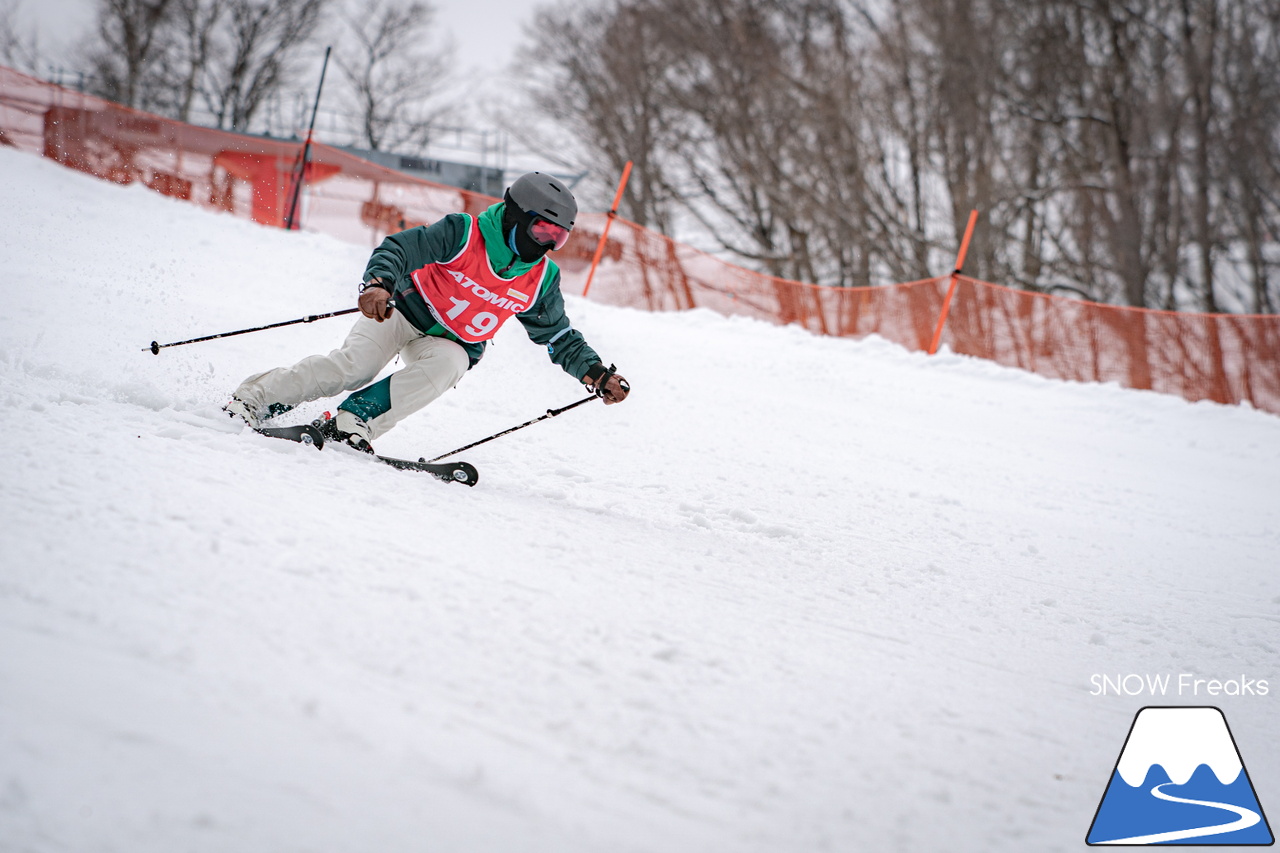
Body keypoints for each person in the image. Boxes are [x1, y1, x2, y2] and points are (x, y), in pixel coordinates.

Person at [223, 172, 629, 452]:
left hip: (451, 342)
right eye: (543, 230)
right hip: (399, 311)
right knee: (354, 367)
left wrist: (596, 374)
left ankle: (352, 422)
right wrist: (378, 284)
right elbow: (401, 249)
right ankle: (255, 397)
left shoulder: (541, 278)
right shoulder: (464, 233)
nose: (548, 243)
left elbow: (557, 336)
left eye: (559, 236)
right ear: (517, 217)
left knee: (451, 363)